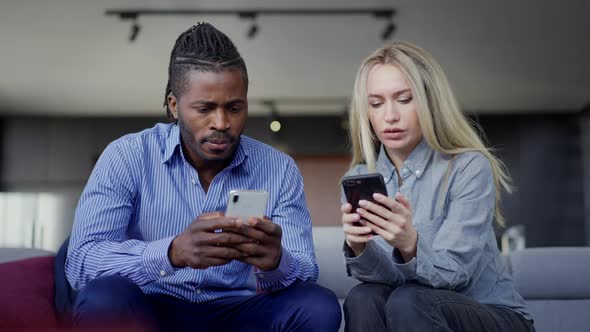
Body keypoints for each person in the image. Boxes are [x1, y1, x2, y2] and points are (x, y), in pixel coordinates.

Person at [64, 22, 341, 331]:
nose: (222, 122)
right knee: (103, 297)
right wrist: (172, 252)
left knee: (318, 307)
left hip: (238, 311)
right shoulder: (127, 155)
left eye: (234, 108)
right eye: (205, 108)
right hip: (152, 308)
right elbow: (82, 263)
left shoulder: (279, 168)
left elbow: (304, 270)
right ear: (174, 106)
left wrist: (277, 261)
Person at [340, 42, 535, 332]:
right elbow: (389, 281)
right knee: (363, 297)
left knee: (409, 300)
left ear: (430, 101)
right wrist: (358, 248)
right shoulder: (359, 176)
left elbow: (456, 275)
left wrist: (410, 244)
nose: (389, 116)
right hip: (414, 307)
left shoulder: (469, 166)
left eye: (404, 99)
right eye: (376, 103)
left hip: (493, 315)